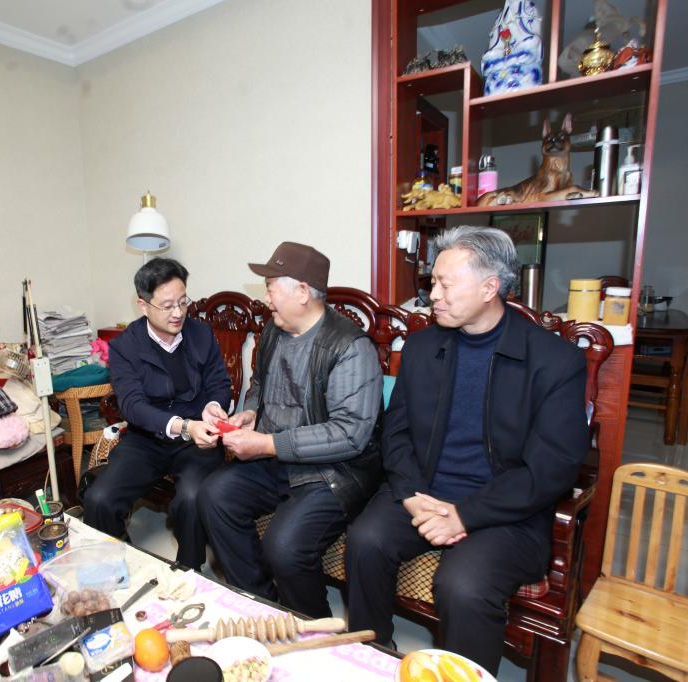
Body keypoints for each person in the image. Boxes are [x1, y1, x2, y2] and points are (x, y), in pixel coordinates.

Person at [346, 226, 588, 674]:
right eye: (432, 282)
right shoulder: (422, 346)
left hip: (506, 509)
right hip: (425, 489)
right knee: (366, 540)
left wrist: (465, 515)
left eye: (445, 284)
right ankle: (371, 656)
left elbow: (553, 468)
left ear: (489, 287)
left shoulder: (554, 360)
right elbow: (395, 432)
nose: (432, 296)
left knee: (462, 584)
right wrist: (410, 493)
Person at [199, 242, 383, 618]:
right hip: (276, 459)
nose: (265, 298)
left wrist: (267, 443)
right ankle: (261, 605)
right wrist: (251, 412)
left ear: (302, 292)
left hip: (332, 472)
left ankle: (312, 626)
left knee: (284, 546)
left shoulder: (350, 347)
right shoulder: (273, 329)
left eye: (271, 288)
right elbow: (259, 384)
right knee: (214, 495)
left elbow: (350, 434)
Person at [83, 258, 232, 570]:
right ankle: (117, 567)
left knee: (191, 497)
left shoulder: (201, 334)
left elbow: (219, 384)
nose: (178, 313)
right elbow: (132, 406)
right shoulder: (125, 347)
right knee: (100, 499)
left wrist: (213, 406)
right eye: (167, 306)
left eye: (183, 302)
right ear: (143, 305)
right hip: (147, 439)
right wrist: (182, 426)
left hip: (196, 442)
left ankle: (189, 571)